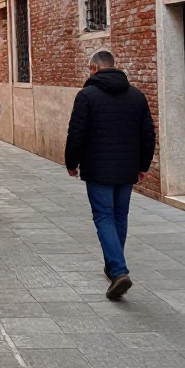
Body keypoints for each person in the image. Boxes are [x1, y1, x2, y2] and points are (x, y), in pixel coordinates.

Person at [65, 50, 155, 301]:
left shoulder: (86, 96)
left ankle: (118, 270)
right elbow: (148, 134)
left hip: (98, 168)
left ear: (94, 69)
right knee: (119, 216)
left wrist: (71, 162)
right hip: (126, 169)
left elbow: (76, 133)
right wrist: (143, 166)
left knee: (104, 217)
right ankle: (113, 266)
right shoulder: (137, 96)